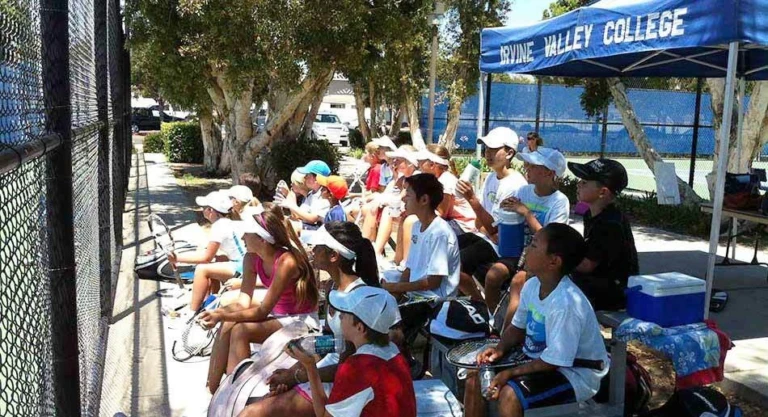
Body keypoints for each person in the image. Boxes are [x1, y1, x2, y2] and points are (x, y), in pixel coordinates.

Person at [463, 223, 609, 417]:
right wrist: (499, 349)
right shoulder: (532, 285)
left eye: (533, 245)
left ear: (553, 262)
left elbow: (554, 361)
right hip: (540, 360)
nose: (526, 249)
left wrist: (511, 373)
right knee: (475, 374)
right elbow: (517, 327)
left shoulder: (565, 303)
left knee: (510, 394)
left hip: (575, 374)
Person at [239, 221, 381, 417]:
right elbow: (334, 342)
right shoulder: (333, 287)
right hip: (324, 371)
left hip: (345, 386)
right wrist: (301, 351)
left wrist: (297, 375)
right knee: (261, 395)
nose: (312, 250)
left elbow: (346, 367)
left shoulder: (356, 301)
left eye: (318, 247)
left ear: (334, 256)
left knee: (251, 413)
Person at [200, 205, 319, 394]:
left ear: (261, 239)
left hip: (300, 320)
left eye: (246, 234)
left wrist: (221, 316)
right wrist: (218, 314)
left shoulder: (287, 261)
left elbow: (262, 311)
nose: (241, 238)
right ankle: (214, 390)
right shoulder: (250, 258)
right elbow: (242, 303)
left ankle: (235, 392)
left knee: (240, 330)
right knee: (228, 323)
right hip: (279, 315)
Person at [284, 286, 416, 417]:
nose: (340, 315)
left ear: (360, 327)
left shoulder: (357, 368)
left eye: (345, 313)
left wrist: (310, 367)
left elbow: (323, 415)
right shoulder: (394, 352)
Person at [381, 173, 461, 362]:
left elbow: (433, 282)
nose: (403, 198)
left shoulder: (440, 233)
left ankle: (401, 363)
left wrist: (395, 289)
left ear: (424, 199)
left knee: (387, 329)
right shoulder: (417, 226)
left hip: (433, 300)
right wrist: (395, 293)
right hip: (416, 295)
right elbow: (409, 269)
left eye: (408, 194)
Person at [490, 147, 570, 323]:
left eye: (533, 165)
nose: (527, 167)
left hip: (540, 257)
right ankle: (493, 322)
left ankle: (508, 332)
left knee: (518, 282)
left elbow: (551, 239)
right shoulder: (524, 191)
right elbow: (509, 215)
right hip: (516, 250)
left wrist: (527, 213)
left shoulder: (560, 201)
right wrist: (507, 207)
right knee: (492, 276)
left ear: (548, 173)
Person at [455, 127, 527, 305]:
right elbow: (483, 225)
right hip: (487, 239)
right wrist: (488, 228)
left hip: (503, 248)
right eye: (487, 148)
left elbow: (496, 231)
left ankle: (483, 310)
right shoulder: (491, 178)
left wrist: (472, 199)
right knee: (447, 248)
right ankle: (471, 306)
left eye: (494, 149)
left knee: (455, 265)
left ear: (509, 153)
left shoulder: (515, 184)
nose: (488, 153)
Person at [567, 159, 639, 311]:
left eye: (584, 182)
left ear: (603, 192)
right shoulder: (590, 214)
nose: (578, 184)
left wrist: (557, 258)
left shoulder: (610, 223)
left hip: (613, 292)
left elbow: (587, 265)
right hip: (597, 282)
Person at [170, 191, 246, 312]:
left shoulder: (218, 226)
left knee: (202, 269)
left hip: (242, 267)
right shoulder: (230, 222)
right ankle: (211, 302)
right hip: (245, 264)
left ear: (210, 210)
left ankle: (193, 311)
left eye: (204, 208)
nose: (202, 210)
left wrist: (176, 258)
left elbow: (206, 258)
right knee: (217, 260)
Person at [416, 144, 477, 236]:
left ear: (432, 165)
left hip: (463, 227)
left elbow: (441, 214)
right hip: (453, 222)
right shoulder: (437, 181)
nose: (418, 164)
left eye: (421, 161)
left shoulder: (445, 181)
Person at [281, 160, 332, 230]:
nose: (304, 178)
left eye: (308, 175)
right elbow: (297, 215)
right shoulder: (311, 194)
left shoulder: (324, 196)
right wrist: (291, 194)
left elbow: (312, 218)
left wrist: (291, 205)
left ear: (317, 179)